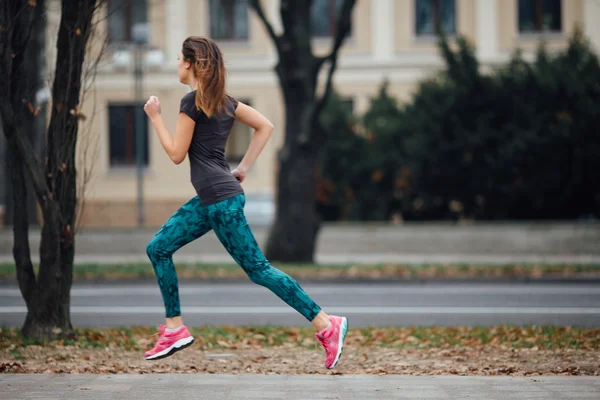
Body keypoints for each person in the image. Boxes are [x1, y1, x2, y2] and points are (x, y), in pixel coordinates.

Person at [142, 36, 348, 369]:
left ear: (192, 64)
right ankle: (174, 328)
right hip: (214, 198)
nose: (177, 64)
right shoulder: (225, 102)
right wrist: (242, 169)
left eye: (180, 58)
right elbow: (265, 126)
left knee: (259, 270)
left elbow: (177, 154)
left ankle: (327, 325)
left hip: (220, 201)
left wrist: (154, 117)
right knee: (158, 248)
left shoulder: (192, 102)